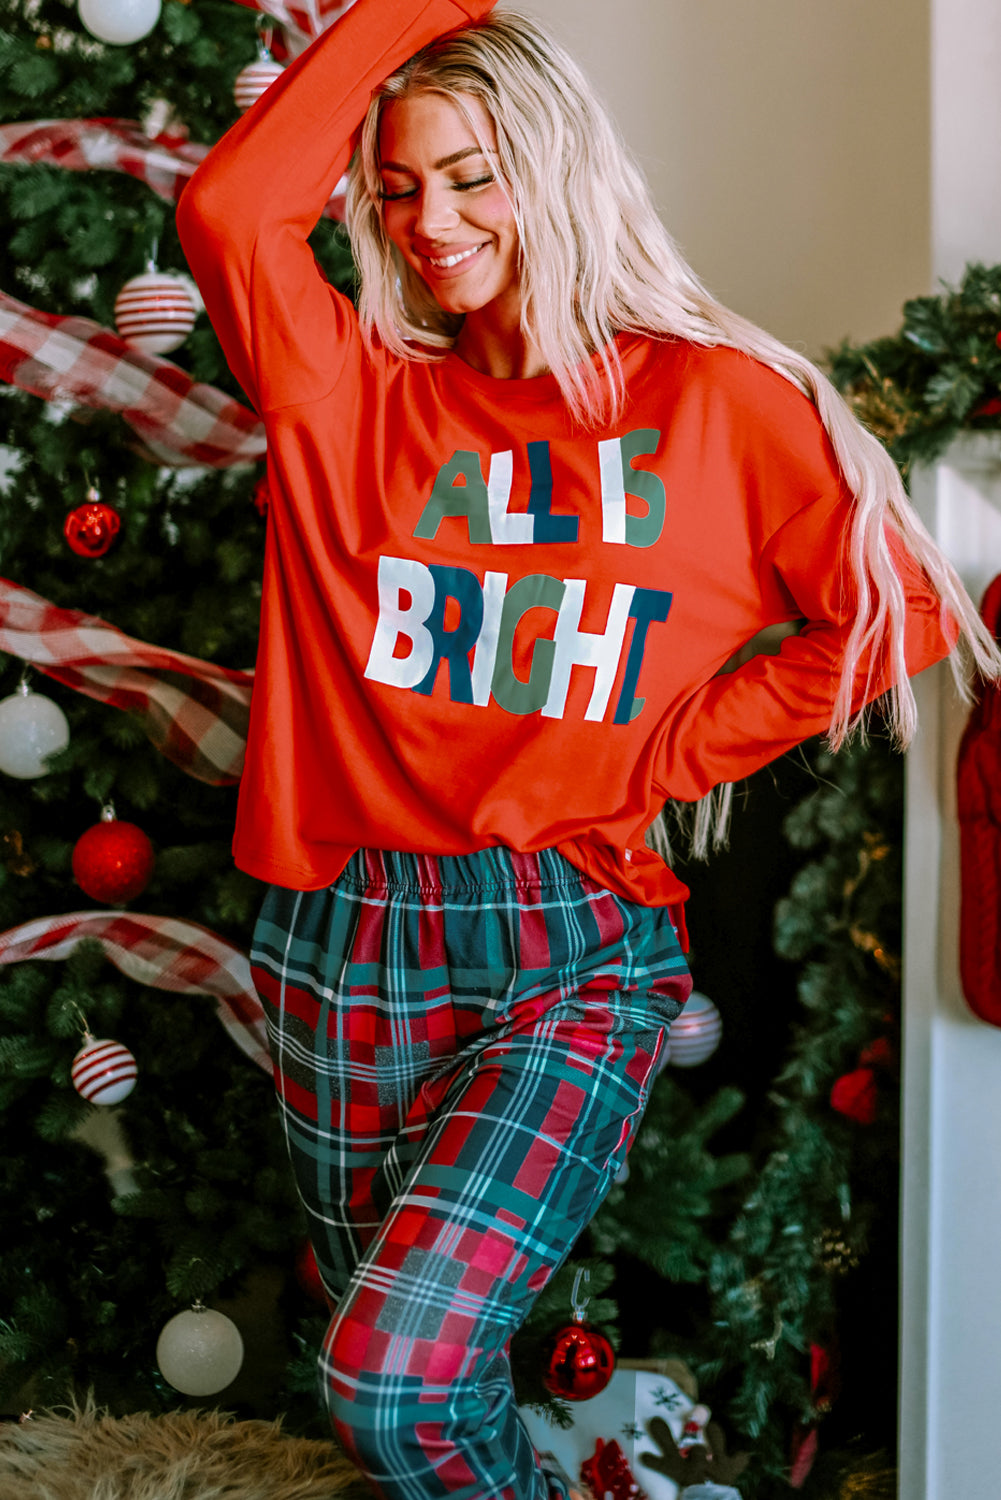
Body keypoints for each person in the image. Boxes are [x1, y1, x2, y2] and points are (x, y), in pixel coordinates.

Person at [177, 3, 999, 1496]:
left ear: (555, 169)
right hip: (343, 936)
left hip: (567, 942)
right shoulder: (349, 388)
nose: (431, 221)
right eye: (398, 185)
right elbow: (231, 206)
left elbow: (903, 609)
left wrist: (669, 757)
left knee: (388, 1379)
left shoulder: (711, 401)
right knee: (423, 1400)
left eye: (472, 175)